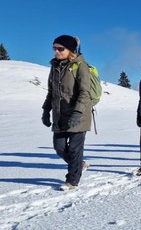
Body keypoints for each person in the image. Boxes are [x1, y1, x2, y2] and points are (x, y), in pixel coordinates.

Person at [41, 35, 92, 190]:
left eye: (60, 48)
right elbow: (51, 92)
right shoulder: (54, 67)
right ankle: (79, 165)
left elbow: (85, 92)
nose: (56, 51)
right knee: (59, 147)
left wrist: (77, 112)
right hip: (60, 115)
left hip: (79, 115)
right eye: (54, 48)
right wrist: (46, 110)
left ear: (70, 50)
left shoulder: (80, 66)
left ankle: (72, 180)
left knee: (75, 149)